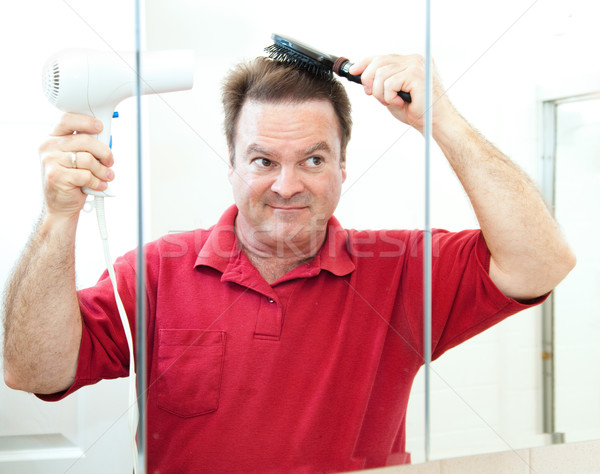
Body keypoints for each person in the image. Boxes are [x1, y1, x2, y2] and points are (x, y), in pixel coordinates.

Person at [3, 53, 575, 473]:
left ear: (343, 168)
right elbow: (31, 371)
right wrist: (59, 216)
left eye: (312, 159)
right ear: (230, 165)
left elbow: (542, 263)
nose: (287, 185)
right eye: (262, 159)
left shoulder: (403, 270)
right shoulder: (155, 272)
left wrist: (442, 119)